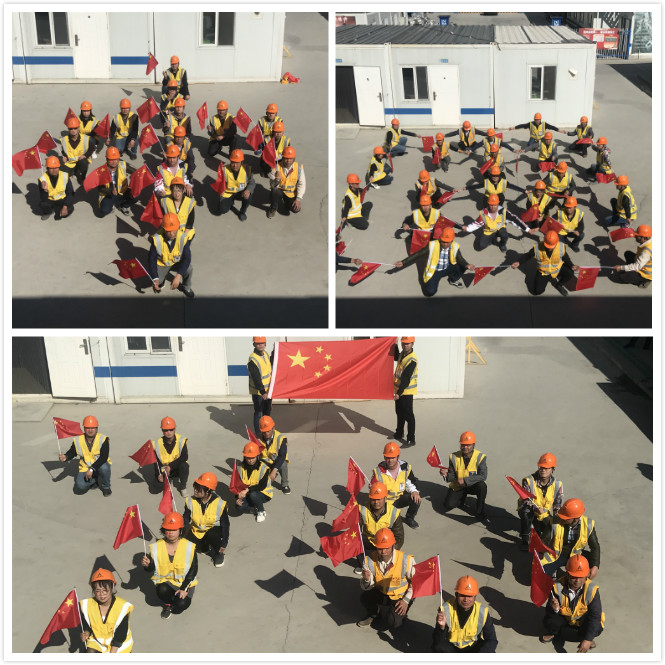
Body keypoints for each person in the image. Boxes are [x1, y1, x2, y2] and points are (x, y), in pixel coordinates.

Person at [541, 555, 604, 652]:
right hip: (565, 619)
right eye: (574, 576)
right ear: (567, 574)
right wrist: (554, 609)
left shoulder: (592, 590)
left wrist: (588, 639)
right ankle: (556, 633)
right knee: (549, 621)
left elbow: (595, 616)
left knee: (597, 627)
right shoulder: (557, 586)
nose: (577, 580)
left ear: (587, 575)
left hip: (581, 621)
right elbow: (549, 611)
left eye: (581, 577)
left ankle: (586, 638)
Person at [141, 511, 198, 619]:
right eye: (168, 529)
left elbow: (193, 570)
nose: (171, 533)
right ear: (164, 530)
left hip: (185, 583)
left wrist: (184, 588)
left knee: (181, 604)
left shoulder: (189, 547)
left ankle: (177, 599)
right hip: (166, 581)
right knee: (161, 590)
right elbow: (151, 568)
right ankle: (168, 604)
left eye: (174, 530)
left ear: (181, 530)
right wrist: (148, 565)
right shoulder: (157, 547)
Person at [358, 528, 415, 631]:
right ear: (376, 547)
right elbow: (367, 587)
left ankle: (397, 615)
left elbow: (416, 582)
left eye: (386, 548)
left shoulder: (406, 560)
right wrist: (366, 580)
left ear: (393, 545)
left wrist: (406, 600)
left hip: (400, 596)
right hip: (381, 592)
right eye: (380, 548)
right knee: (365, 598)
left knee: (393, 622)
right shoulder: (368, 560)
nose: (383, 552)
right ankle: (374, 614)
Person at [394, 227, 474, 295]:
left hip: (447, 267)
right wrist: (403, 262)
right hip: (435, 271)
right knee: (430, 292)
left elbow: (460, 259)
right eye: (443, 241)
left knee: (463, 267)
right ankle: (430, 283)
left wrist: (467, 265)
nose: (445, 244)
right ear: (440, 238)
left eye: (447, 242)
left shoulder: (455, 246)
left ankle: (453, 280)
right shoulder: (432, 244)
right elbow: (418, 254)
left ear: (452, 240)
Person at [432, 575, 498, 653]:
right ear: (456, 595)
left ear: (475, 597)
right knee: (438, 647)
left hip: (473, 647)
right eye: (462, 595)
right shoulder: (445, 610)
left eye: (470, 596)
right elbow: (438, 641)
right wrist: (441, 628)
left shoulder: (482, 612)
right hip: (452, 648)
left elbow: (491, 640)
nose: (466, 600)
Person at [540, 498, 600, 578]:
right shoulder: (555, 521)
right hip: (557, 555)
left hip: (576, 556)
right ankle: (557, 573)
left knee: (585, 570)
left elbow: (595, 547)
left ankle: (570, 575)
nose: (563, 518)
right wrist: (540, 553)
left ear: (576, 518)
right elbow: (544, 540)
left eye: (566, 517)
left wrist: (595, 566)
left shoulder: (588, 525)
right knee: (542, 574)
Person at [511, 230, 580, 296]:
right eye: (548, 246)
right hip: (544, 272)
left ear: (557, 242)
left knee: (570, 273)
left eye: (552, 246)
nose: (550, 248)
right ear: (544, 241)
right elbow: (528, 255)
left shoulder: (561, 247)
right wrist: (519, 262)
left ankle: (559, 285)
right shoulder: (537, 248)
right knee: (538, 291)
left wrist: (572, 265)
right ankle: (539, 280)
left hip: (557, 269)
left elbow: (566, 258)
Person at [517, 452, 563, 551]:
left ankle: (541, 535)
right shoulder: (528, 481)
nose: (543, 470)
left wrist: (556, 523)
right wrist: (536, 508)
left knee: (552, 526)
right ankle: (525, 537)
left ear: (552, 469)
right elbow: (526, 500)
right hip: (530, 509)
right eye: (541, 467)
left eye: (546, 468)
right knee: (526, 512)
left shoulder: (557, 484)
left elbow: (557, 506)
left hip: (544, 513)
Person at [79, 569, 133, 653]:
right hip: (98, 642)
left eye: (105, 590)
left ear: (112, 588)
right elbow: (87, 624)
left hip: (119, 646)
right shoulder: (87, 605)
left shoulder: (122, 607)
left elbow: (120, 634)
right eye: (97, 591)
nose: (101, 594)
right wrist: (87, 632)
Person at [355, 482, 405, 574]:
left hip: (384, 544)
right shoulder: (362, 510)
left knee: (384, 565)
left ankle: (385, 563)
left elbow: (399, 537)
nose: (376, 502)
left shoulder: (393, 513)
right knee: (355, 539)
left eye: (379, 499)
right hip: (369, 541)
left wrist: (390, 552)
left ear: (385, 498)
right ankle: (362, 564)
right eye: (373, 499)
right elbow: (356, 528)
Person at [183, 472, 229, 568]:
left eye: (198, 489)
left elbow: (225, 525)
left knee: (212, 534)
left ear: (208, 491)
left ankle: (218, 553)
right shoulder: (190, 501)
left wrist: (224, 542)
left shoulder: (220, 504)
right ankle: (204, 547)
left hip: (213, 531)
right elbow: (186, 518)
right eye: (195, 487)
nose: (195, 490)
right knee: (185, 541)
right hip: (197, 531)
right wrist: (180, 531)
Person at [58, 415, 112, 496]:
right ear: (84, 428)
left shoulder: (103, 439)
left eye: (93, 428)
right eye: (87, 428)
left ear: (97, 428)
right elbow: (72, 452)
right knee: (80, 485)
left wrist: (91, 469)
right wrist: (66, 456)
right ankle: (95, 479)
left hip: (100, 464)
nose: (90, 430)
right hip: (85, 467)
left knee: (105, 468)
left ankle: (106, 487)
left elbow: (104, 457)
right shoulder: (78, 440)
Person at [372, 442, 422, 529]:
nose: (390, 460)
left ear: (398, 457)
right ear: (384, 457)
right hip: (386, 502)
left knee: (416, 499)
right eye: (388, 458)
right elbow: (374, 492)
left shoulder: (405, 468)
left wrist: (414, 491)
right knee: (387, 525)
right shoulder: (379, 472)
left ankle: (410, 518)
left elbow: (410, 482)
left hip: (399, 498)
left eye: (393, 457)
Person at [440, 431, 488, 522]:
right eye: (463, 445)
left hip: (473, 485)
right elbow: (452, 476)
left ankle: (480, 510)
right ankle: (462, 498)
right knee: (448, 505)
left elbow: (483, 475)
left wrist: (465, 481)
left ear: (473, 445)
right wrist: (446, 475)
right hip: (459, 486)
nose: (465, 447)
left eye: (468, 445)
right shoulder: (453, 457)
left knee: (482, 486)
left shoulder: (480, 457)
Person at [463, 194, 533, 253]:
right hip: (489, 231)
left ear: (498, 203)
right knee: (479, 247)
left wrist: (527, 229)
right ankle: (491, 240)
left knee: (505, 235)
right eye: (491, 205)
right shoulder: (483, 214)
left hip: (500, 228)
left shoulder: (503, 211)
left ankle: (502, 244)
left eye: (495, 205)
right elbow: (476, 224)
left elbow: (515, 220)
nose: (493, 207)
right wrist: (468, 228)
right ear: (488, 204)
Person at [148, 212, 196, 298]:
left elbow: (187, 258)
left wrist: (178, 275)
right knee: (157, 282)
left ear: (178, 227)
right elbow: (151, 259)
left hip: (177, 262)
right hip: (162, 264)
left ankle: (186, 288)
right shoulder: (156, 239)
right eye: (168, 231)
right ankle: (162, 278)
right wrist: (155, 278)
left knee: (189, 269)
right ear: (164, 229)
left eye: (174, 230)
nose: (172, 233)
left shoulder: (183, 237)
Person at [152, 416, 190, 497]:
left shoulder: (181, 440)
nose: (169, 432)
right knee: (155, 489)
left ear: (175, 429)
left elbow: (184, 457)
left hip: (177, 468)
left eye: (171, 429)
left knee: (184, 466)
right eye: (166, 430)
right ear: (162, 431)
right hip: (164, 471)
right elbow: (156, 462)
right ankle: (167, 479)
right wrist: (159, 474)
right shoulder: (157, 443)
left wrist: (170, 466)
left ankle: (183, 487)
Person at [236, 442, 273, 523]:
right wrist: (238, 497)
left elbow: (261, 486)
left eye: (253, 458)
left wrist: (247, 490)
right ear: (244, 457)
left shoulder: (264, 468)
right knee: (239, 507)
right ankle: (254, 509)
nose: (250, 460)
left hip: (263, 493)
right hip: (247, 493)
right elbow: (236, 484)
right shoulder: (239, 467)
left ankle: (261, 511)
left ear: (257, 456)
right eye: (248, 458)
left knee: (253, 495)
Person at [97, 147, 138, 218]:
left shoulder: (122, 164)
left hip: (122, 190)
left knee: (136, 195)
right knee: (105, 210)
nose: (114, 162)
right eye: (111, 160)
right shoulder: (101, 171)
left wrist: (134, 177)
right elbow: (100, 189)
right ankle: (111, 205)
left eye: (116, 159)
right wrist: (110, 191)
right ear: (107, 159)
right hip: (109, 195)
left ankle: (123, 206)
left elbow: (136, 172)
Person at [457, 165, 522, 207]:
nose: (495, 177)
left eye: (496, 175)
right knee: (486, 209)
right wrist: (467, 188)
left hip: (499, 198)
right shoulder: (487, 182)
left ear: (499, 175)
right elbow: (477, 186)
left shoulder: (504, 182)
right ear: (490, 175)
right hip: (488, 198)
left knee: (500, 202)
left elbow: (514, 187)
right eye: (493, 175)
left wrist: (524, 191)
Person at [392, 337, 417, 446]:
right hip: (399, 390)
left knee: (409, 416)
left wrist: (399, 393)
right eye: (403, 343)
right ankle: (399, 433)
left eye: (408, 343)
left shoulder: (412, 360)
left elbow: (406, 378)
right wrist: (395, 345)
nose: (405, 345)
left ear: (412, 344)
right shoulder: (403, 354)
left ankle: (411, 439)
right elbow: (396, 357)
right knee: (399, 412)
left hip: (406, 391)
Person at [268, 146, 305, 218]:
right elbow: (272, 185)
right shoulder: (275, 167)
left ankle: (287, 204)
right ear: (282, 157)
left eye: (291, 158)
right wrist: (277, 180)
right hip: (279, 191)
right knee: (274, 191)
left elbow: (302, 184)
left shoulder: (299, 168)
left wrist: (298, 199)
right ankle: (273, 208)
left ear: (294, 158)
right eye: (286, 158)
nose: (288, 161)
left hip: (291, 193)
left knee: (295, 209)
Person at [219, 149, 255, 221]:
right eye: (233, 162)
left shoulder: (247, 170)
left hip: (241, 192)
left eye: (237, 162)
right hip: (228, 193)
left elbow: (252, 182)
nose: (235, 165)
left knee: (248, 196)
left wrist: (248, 190)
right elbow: (219, 184)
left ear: (241, 162)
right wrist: (220, 191)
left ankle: (242, 212)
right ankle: (230, 202)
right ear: (230, 161)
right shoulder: (224, 170)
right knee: (222, 210)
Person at [258, 415, 290, 494]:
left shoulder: (280, 438)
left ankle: (285, 484)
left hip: (277, 461)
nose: (266, 433)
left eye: (268, 431)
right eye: (264, 432)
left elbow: (282, 456)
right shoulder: (259, 439)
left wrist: (274, 471)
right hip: (265, 462)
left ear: (273, 428)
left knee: (283, 464)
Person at [248, 336, 273, 434]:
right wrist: (263, 392)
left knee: (267, 412)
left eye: (262, 343)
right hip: (259, 392)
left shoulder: (266, 353)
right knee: (259, 413)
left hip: (268, 390)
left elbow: (271, 362)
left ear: (265, 344)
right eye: (258, 343)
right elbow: (256, 378)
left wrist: (276, 350)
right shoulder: (253, 359)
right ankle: (258, 435)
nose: (260, 345)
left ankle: (267, 432)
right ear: (254, 344)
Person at [60, 116, 93, 188]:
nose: (73, 130)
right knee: (61, 176)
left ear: (78, 128)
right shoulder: (64, 140)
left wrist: (85, 155)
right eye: (70, 128)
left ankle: (82, 176)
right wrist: (65, 156)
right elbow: (63, 151)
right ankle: (75, 171)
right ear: (68, 129)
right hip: (70, 163)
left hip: (81, 161)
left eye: (75, 128)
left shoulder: (86, 138)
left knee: (84, 162)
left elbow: (91, 149)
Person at [38, 156, 74, 221]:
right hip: (50, 200)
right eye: (51, 168)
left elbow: (70, 193)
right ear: (47, 168)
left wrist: (65, 206)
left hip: (62, 199)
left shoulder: (65, 176)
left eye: (56, 167)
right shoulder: (42, 179)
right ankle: (48, 212)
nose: (54, 170)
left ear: (59, 167)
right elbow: (43, 198)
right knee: (43, 204)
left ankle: (60, 209)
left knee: (69, 209)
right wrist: (45, 190)